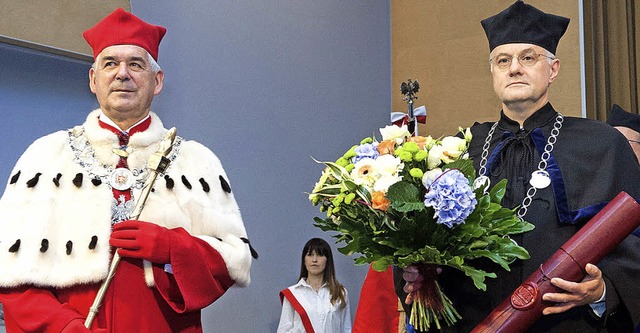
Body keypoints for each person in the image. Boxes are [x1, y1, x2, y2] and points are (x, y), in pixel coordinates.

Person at [0, 8, 256, 332]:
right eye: (110, 64)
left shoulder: (196, 161)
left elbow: (232, 262)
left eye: (136, 63)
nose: (123, 74)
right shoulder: (46, 157)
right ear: (93, 79)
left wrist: (171, 247)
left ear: (157, 81)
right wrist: (63, 327)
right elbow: (11, 277)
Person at [396, 1, 640, 332]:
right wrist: (415, 275)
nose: (515, 68)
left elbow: (634, 244)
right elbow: (416, 241)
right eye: (503, 60)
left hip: (566, 324)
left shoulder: (602, 145)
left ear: (552, 69)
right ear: (492, 70)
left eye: (528, 57)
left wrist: (604, 290)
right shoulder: (457, 150)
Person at [277, 238, 352, 333]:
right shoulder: (294, 294)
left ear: (327, 260)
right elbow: (283, 330)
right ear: (304, 260)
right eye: (310, 255)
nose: (314, 260)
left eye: (320, 255)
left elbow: (346, 328)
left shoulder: (340, 292)